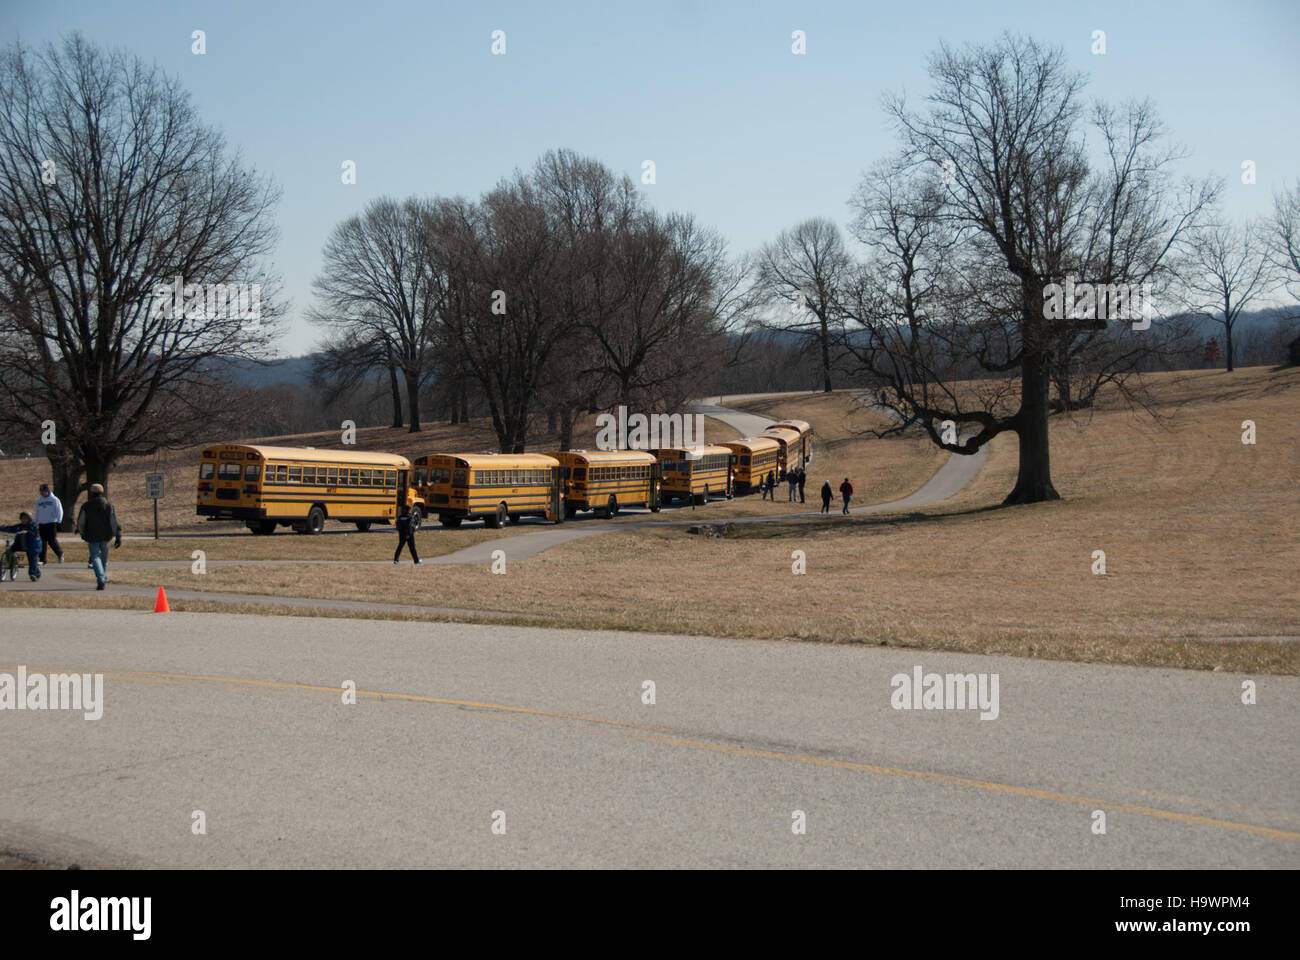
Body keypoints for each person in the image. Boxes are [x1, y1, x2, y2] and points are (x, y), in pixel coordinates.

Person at [76, 483, 121, 590]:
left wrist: (82, 532)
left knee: (95, 557)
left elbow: (81, 521)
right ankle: (102, 577)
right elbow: (113, 521)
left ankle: (101, 578)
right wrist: (118, 535)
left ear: (91, 493)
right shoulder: (108, 505)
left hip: (92, 535)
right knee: (104, 558)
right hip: (106, 536)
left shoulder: (86, 506)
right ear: (102, 492)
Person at [0, 512, 43, 581]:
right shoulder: (20, 526)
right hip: (21, 544)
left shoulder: (33, 526)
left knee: (32, 560)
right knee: (9, 551)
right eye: (22, 518)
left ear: (29, 519)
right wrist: (1, 528)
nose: (23, 520)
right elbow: (11, 528)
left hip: (33, 546)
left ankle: (34, 574)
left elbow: (36, 534)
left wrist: (27, 532)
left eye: (25, 518)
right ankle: (9, 564)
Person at [34, 483, 64, 564]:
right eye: (41, 491)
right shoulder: (39, 501)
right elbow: (37, 512)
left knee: (52, 541)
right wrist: (35, 523)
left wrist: (59, 521)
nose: (42, 493)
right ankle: (42, 559)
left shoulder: (54, 500)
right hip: (42, 524)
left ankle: (60, 554)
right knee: (42, 542)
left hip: (51, 523)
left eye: (44, 491)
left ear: (47, 491)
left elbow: (59, 511)